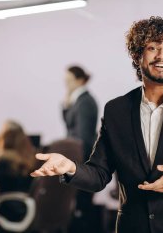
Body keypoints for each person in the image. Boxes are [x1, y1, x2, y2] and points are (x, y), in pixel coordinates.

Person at [31, 16, 163, 233]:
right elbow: (99, 175)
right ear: (137, 55)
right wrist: (70, 167)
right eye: (153, 47)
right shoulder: (116, 110)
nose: (162, 56)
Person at [0, 120, 37, 233]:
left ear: (4, 139)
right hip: (26, 209)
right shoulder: (30, 158)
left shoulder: (4, 160)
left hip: (8, 210)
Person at [62, 65, 99, 233]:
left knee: (83, 205)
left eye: (69, 81)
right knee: (77, 203)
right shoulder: (77, 100)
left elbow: (82, 138)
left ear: (79, 80)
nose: (66, 84)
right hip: (78, 159)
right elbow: (69, 125)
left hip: (82, 160)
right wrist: (66, 103)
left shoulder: (85, 102)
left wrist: (76, 168)